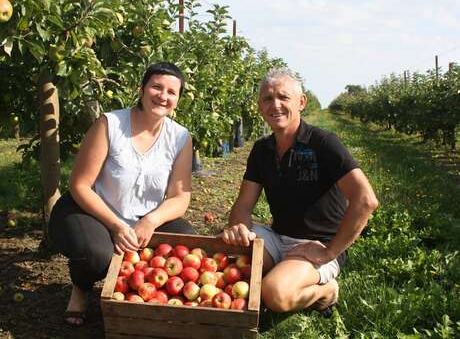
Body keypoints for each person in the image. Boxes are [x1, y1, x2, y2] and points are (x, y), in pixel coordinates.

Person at [221, 67, 379, 315]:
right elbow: (243, 205)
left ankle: (326, 291)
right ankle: (283, 269)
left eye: (284, 97)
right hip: (277, 236)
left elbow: (366, 200)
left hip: (318, 244)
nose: (276, 105)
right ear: (260, 106)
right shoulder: (263, 149)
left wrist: (330, 251)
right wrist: (239, 227)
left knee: (275, 294)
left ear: (301, 102)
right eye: (267, 99)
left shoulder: (323, 143)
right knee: (225, 262)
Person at [49, 62, 194, 326]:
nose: (163, 96)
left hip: (140, 218)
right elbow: (80, 184)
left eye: (172, 92)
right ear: (142, 90)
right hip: (93, 210)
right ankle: (81, 288)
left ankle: (144, 292)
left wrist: (150, 221)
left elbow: (180, 197)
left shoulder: (180, 138)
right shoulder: (111, 124)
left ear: (178, 100)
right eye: (156, 87)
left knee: (187, 243)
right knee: (96, 255)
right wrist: (116, 225)